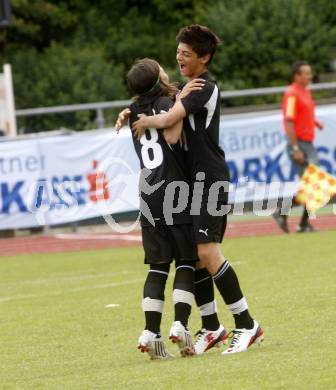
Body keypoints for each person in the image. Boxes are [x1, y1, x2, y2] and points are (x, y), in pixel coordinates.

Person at [130, 25, 264, 355]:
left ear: (204, 58)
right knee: (195, 255)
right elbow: (174, 134)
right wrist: (135, 110)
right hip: (191, 183)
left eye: (187, 54)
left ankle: (246, 325)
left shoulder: (203, 87)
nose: (179, 58)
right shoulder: (186, 88)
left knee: (207, 253)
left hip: (210, 180)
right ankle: (211, 327)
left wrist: (145, 119)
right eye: (178, 53)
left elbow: (171, 119)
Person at [123, 58, 203, 359]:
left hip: (148, 192)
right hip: (175, 188)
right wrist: (181, 96)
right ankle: (180, 325)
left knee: (157, 266)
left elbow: (135, 108)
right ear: (158, 79)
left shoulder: (132, 111)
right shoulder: (171, 101)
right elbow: (173, 126)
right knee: (185, 260)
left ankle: (150, 331)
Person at [273, 61, 324, 233]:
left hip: (307, 144)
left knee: (313, 185)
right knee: (313, 185)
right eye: (306, 73)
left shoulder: (304, 92)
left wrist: (315, 123)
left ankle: (301, 222)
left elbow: (303, 114)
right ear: (297, 76)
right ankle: (286, 214)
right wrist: (295, 148)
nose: (310, 76)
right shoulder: (292, 93)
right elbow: (289, 121)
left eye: (310, 73)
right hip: (299, 144)